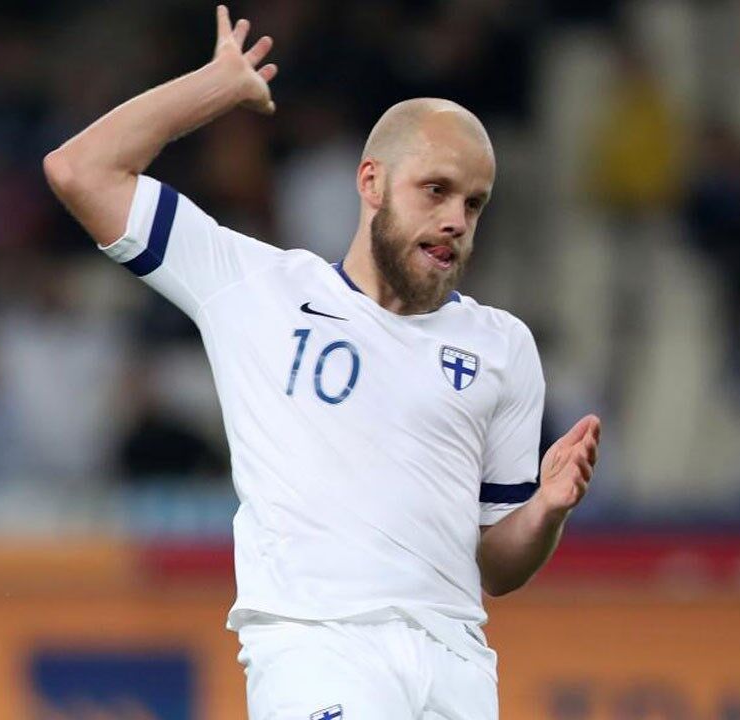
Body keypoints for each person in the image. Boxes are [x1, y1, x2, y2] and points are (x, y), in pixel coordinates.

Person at [42, 7, 601, 719]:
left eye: (474, 203)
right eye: (436, 190)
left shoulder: (503, 346)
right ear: (371, 183)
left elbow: (498, 566)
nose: (456, 220)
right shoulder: (256, 289)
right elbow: (80, 169)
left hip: (457, 662)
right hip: (319, 650)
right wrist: (217, 85)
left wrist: (546, 511)